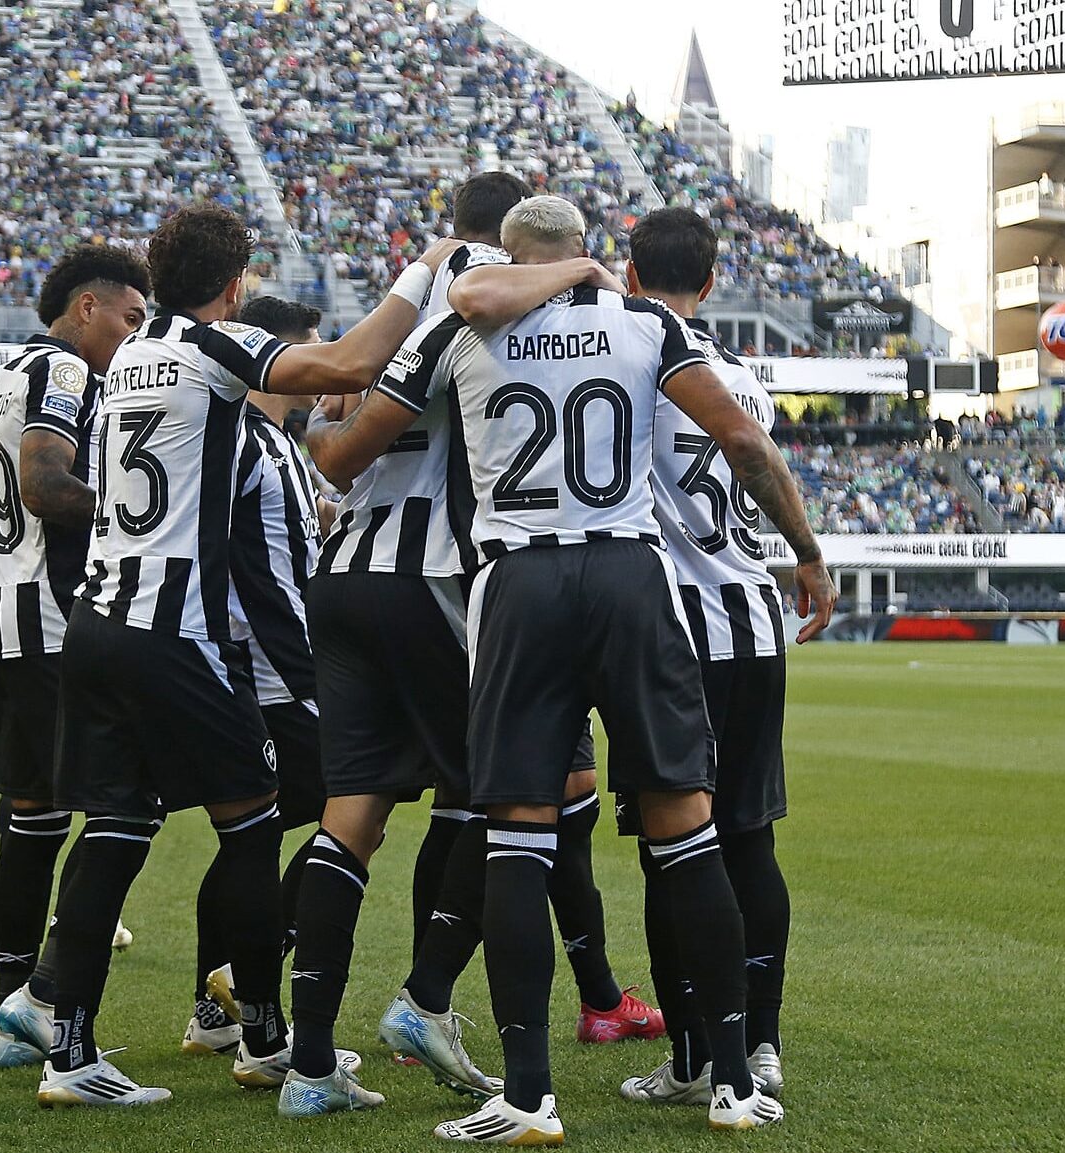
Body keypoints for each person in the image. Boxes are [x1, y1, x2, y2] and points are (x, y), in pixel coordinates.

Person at [355, 195, 831, 1142]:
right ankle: (734, 1077)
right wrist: (806, 551)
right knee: (689, 828)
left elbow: (355, 436)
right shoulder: (646, 320)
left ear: (510, 257)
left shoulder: (462, 324)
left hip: (521, 582)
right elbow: (740, 439)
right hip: (629, 575)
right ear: (583, 254)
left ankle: (528, 1095)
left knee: (518, 838)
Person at [33, 204, 458, 1108]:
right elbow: (346, 364)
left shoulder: (130, 355)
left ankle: (67, 1051)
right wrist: (424, 274)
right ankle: (268, 1038)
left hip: (98, 620)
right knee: (253, 823)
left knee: (112, 827)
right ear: (233, 290)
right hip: (170, 631)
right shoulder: (204, 345)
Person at [278, 172, 647, 1119]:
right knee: (537, 788)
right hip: (438, 578)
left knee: (353, 811)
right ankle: (428, 997)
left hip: (346, 571)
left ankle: (310, 1064)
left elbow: (334, 434)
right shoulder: (496, 296)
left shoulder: (407, 290)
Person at [610, 207, 800, 1108]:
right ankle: (759, 1042)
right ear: (714, 281)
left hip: (673, 636)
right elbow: (755, 458)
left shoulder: (635, 358)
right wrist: (810, 553)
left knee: (672, 848)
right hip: (755, 620)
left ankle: (690, 1057)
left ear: (632, 274)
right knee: (751, 841)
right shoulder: (744, 381)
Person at [0, 243, 151, 1070]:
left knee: (33, 820)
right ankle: (51, 1004)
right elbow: (45, 486)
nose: (133, 333)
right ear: (88, 308)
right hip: (50, 614)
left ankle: (17, 1009)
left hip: (3, 613)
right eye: (129, 317)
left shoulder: (13, 372)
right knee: (126, 803)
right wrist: (135, 510)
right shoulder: (65, 375)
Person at [177, 295, 335, 1061]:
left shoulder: (280, 444)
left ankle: (214, 1008)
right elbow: (253, 571)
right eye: (309, 350)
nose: (318, 364)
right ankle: (253, 973)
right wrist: (312, 670)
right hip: (274, 669)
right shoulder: (243, 442)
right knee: (356, 801)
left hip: (278, 665)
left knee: (254, 831)